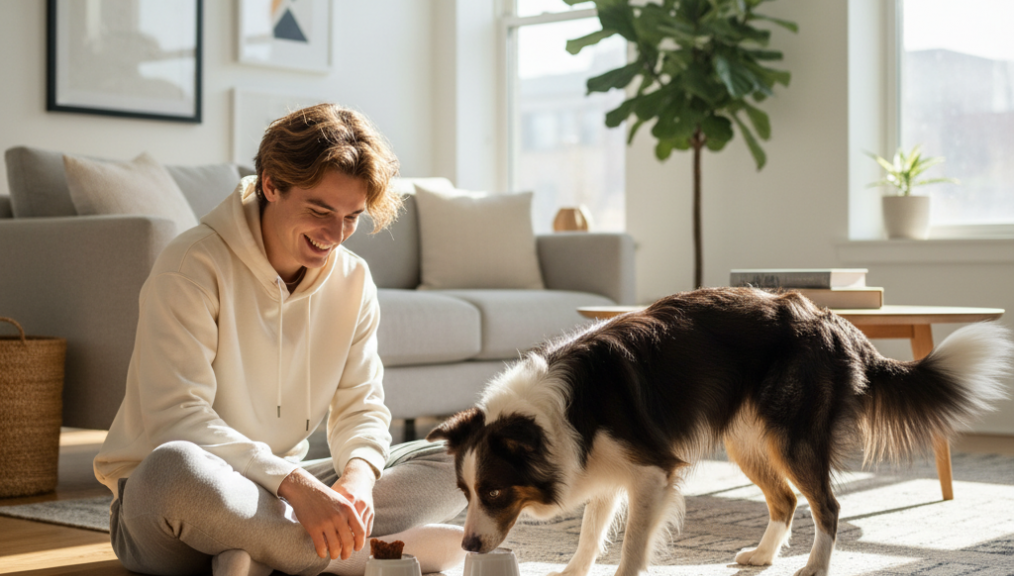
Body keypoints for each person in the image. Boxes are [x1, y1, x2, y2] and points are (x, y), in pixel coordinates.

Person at [93, 103, 467, 576]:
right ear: (271, 184)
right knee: (173, 472)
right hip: (180, 501)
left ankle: (258, 553)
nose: (335, 235)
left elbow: (362, 406)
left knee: (463, 459)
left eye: (352, 217)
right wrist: (293, 485)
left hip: (279, 495)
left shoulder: (353, 280)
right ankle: (361, 558)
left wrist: (356, 482)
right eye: (319, 210)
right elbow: (175, 418)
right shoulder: (190, 265)